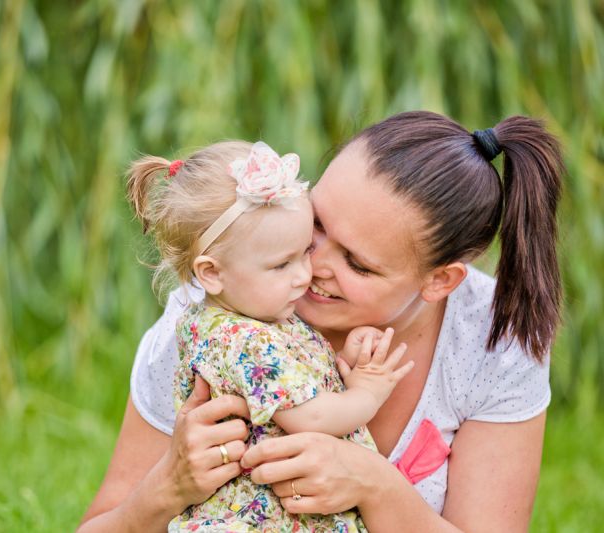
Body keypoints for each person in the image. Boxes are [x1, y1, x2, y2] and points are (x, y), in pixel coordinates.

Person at [79, 111, 563, 532]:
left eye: (357, 263)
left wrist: (374, 486)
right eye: (317, 225)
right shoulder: (218, 312)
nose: (310, 268)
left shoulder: (493, 337)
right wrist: (167, 488)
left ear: (440, 281)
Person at [124, 140, 415, 531]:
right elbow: (310, 417)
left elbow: (289, 378)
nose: (304, 275)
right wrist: (367, 392)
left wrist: (344, 360)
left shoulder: (236, 316)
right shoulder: (246, 340)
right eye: (281, 265)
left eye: (305, 251)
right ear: (211, 273)